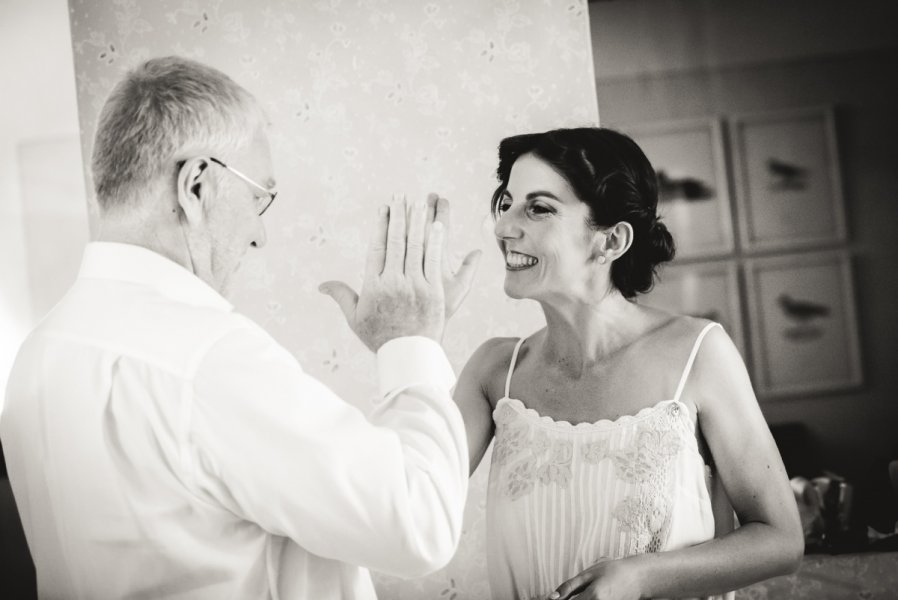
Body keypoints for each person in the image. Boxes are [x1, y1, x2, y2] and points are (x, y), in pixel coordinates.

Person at [0, 56, 481, 599]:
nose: (259, 237)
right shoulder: (206, 359)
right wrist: (409, 340)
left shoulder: (37, 355)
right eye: (259, 198)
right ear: (197, 185)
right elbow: (419, 525)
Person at [453, 127, 804, 600]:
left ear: (611, 240)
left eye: (538, 208)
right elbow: (407, 504)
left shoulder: (698, 353)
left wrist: (641, 576)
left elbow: (781, 540)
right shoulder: (495, 373)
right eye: (507, 203)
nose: (503, 227)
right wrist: (409, 338)